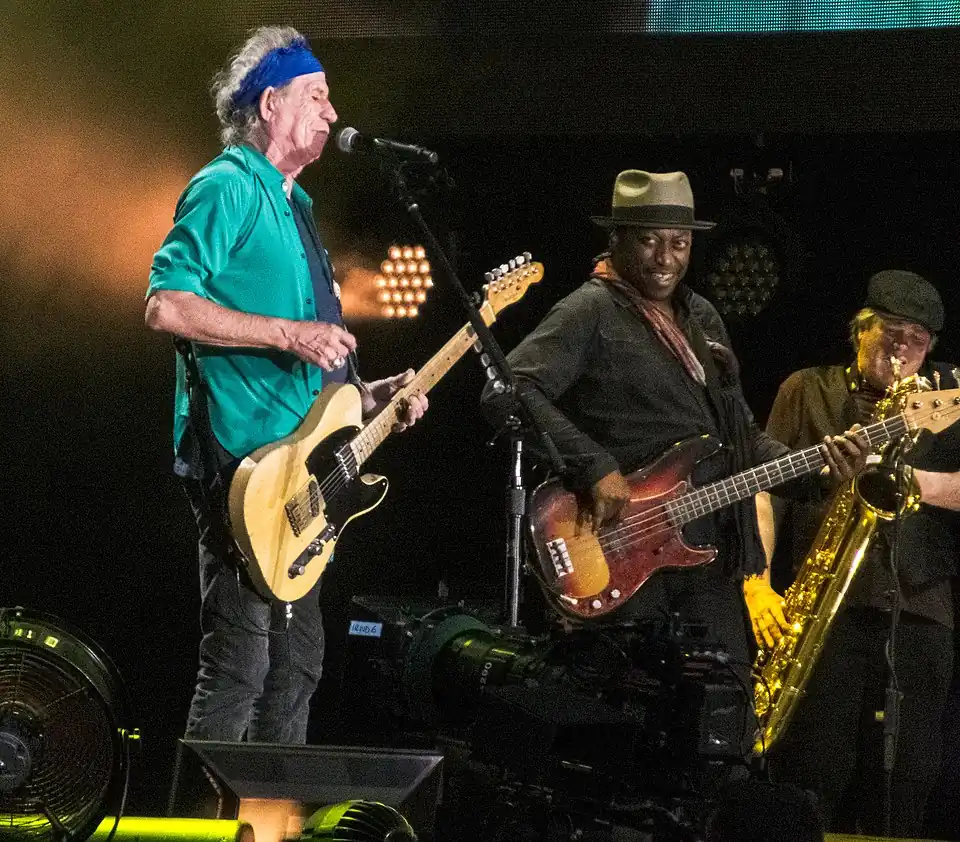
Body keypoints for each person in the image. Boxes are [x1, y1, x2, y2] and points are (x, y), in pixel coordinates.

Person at [145, 25, 427, 744]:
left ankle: (268, 825)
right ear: (271, 104)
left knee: (297, 668)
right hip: (242, 465)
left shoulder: (296, 208)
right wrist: (285, 332)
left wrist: (372, 398)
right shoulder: (226, 185)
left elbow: (317, 381)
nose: (333, 115)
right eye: (317, 96)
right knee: (240, 664)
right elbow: (166, 304)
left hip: (301, 474)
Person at [481, 169, 867, 692]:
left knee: (720, 725)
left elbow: (741, 439)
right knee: (633, 723)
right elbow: (510, 389)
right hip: (625, 556)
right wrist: (595, 465)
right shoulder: (590, 309)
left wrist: (820, 471)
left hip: (711, 562)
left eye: (679, 243)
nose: (666, 259)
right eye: (649, 241)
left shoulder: (701, 316)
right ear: (615, 240)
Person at [752, 270, 960, 835]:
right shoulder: (807, 387)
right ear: (859, 331)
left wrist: (912, 481)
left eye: (915, 339)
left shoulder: (948, 400)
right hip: (823, 604)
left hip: (920, 604)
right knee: (814, 763)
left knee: (910, 769)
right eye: (889, 333)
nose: (900, 350)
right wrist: (759, 583)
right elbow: (763, 491)